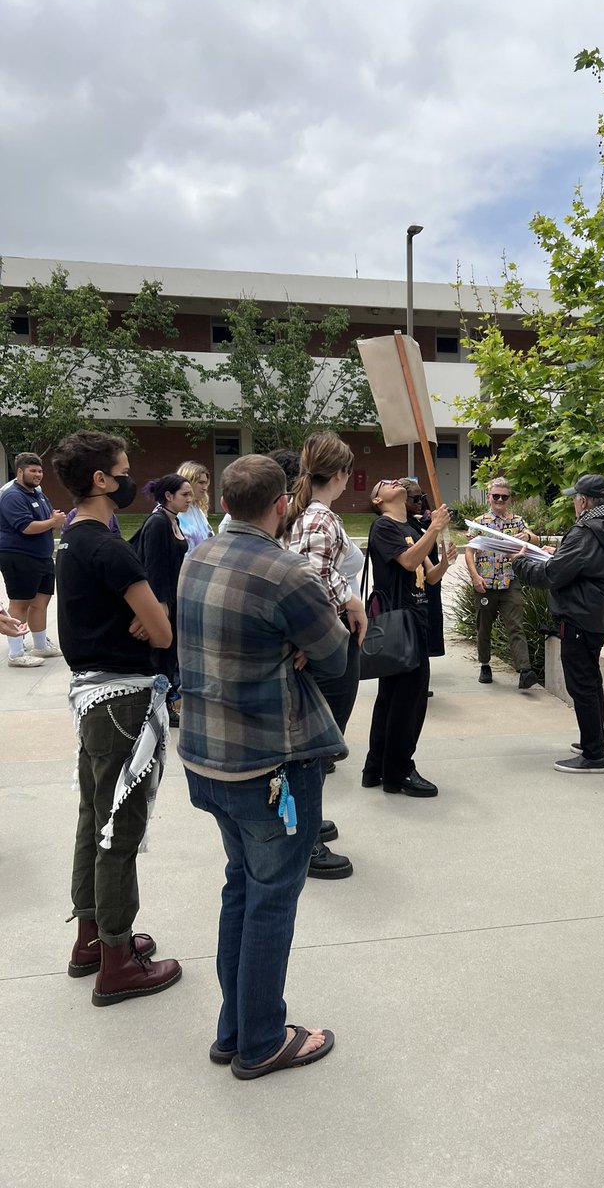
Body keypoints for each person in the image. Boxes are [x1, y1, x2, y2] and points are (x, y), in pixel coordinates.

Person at [177, 454, 348, 1079]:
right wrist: (315, 636)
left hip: (206, 757)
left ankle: (235, 1030)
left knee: (242, 886)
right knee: (272, 898)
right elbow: (333, 657)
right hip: (267, 763)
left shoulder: (197, 554)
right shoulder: (288, 572)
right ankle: (262, 1041)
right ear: (283, 504)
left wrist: (290, 644)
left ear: (223, 501)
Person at [52, 430, 182, 1003]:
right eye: (123, 470)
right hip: (124, 702)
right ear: (101, 480)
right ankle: (117, 960)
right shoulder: (109, 547)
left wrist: (145, 610)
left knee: (94, 819)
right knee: (118, 831)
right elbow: (161, 631)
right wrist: (153, 612)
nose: (132, 479)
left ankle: (92, 936)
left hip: (92, 696)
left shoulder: (72, 539)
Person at [512, 473, 604, 774]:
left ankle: (594, 756)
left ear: (582, 501)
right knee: (591, 681)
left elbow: (551, 576)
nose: (573, 504)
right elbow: (586, 565)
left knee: (582, 685)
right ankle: (594, 741)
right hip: (600, 614)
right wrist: (558, 555)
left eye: (574, 499)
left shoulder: (584, 533)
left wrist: (519, 563)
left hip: (579, 617)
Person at [286, 432, 367, 879]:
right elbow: (310, 577)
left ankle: (308, 820)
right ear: (340, 475)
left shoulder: (302, 512)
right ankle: (305, 837)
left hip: (318, 640)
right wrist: (350, 602)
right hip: (325, 641)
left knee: (314, 744)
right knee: (318, 745)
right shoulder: (318, 517)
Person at [360, 478, 456, 797]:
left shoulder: (412, 527)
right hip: (399, 623)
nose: (394, 481)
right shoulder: (383, 527)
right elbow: (408, 560)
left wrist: (444, 562)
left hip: (414, 620)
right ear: (378, 500)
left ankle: (377, 767)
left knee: (392, 698)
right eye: (384, 483)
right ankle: (399, 770)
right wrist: (435, 527)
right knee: (408, 701)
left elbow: (427, 575)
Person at [465, 476, 540, 689]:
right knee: (484, 627)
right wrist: (475, 577)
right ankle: (485, 664)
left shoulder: (517, 521)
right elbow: (470, 551)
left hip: (510, 581)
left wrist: (527, 536)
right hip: (485, 582)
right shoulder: (480, 522)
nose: (499, 500)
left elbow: (536, 540)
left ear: (510, 499)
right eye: (495, 496)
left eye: (504, 497)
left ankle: (525, 671)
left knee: (516, 626)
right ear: (488, 497)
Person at [131, 474, 193, 726]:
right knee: (162, 655)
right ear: (168, 496)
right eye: (185, 495)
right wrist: (161, 606)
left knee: (170, 655)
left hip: (174, 598)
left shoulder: (172, 520)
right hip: (164, 600)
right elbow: (154, 566)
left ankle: (165, 701)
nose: (190, 499)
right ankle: (159, 705)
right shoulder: (158, 523)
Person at [0, 452, 66, 667]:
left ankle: (40, 646)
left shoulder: (36, 492)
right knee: (20, 603)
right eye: (33, 471)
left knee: (41, 601)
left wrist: (51, 519)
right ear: (20, 471)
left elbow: (44, 518)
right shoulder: (12, 495)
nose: (38, 475)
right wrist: (54, 522)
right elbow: (26, 527)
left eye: (40, 471)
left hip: (41, 556)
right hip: (19, 556)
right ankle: (16, 654)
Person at [400, 480, 447, 676]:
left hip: (428, 583)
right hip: (411, 589)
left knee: (429, 624)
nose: (420, 502)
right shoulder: (397, 526)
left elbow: (431, 570)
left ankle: (421, 669)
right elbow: (414, 557)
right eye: (416, 499)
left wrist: (445, 561)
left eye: (423, 498)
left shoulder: (418, 523)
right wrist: (433, 528)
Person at [176, 460, 214, 550]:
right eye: (201, 483)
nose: (205, 488)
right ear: (188, 481)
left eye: (206, 483)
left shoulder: (196, 509)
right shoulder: (172, 511)